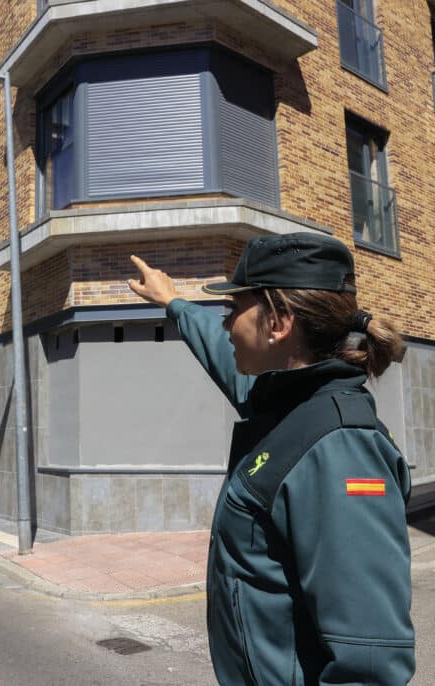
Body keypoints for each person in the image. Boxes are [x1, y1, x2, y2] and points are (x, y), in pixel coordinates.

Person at [128, 232, 415, 685]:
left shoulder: (340, 447)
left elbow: (370, 666)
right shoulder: (286, 405)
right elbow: (224, 356)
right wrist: (173, 302)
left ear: (279, 322)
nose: (225, 325)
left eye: (232, 310)